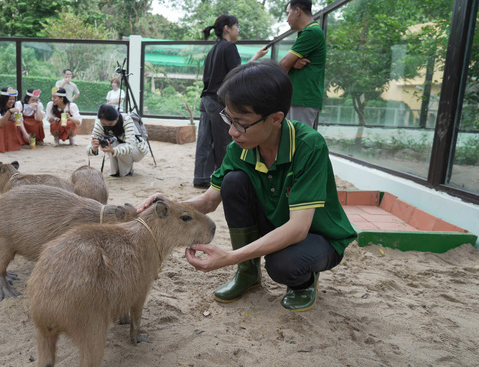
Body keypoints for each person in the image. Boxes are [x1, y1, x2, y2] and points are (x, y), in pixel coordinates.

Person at [139, 61, 356, 312]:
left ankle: (303, 283)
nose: (232, 131)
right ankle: (248, 273)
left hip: (316, 236)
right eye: (229, 119)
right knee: (233, 181)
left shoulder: (309, 146)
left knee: (283, 265)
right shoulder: (239, 149)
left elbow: (298, 228)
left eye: (241, 122)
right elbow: (209, 201)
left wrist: (229, 257)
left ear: (275, 118)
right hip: (276, 224)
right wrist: (168, 205)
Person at [253, 0, 326, 129]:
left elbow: (283, 64)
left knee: (298, 142)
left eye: (288, 14)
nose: (287, 19)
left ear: (297, 11)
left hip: (303, 98)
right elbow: (286, 63)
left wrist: (289, 64)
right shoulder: (307, 33)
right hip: (298, 98)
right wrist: (293, 63)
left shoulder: (312, 32)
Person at [193, 14, 241, 190]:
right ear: (227, 28)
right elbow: (237, 76)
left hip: (206, 100)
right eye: (236, 26)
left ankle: (201, 178)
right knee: (224, 142)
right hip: (219, 100)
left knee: (204, 141)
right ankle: (225, 180)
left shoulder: (214, 49)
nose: (238, 30)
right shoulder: (229, 47)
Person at [87, 104, 149, 177]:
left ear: (117, 117)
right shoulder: (100, 125)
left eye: (110, 123)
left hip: (137, 149)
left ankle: (126, 171)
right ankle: (115, 171)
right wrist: (94, 148)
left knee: (117, 146)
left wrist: (112, 150)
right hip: (119, 147)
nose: (107, 126)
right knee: (110, 143)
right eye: (103, 123)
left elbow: (130, 145)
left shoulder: (126, 119)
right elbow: (89, 149)